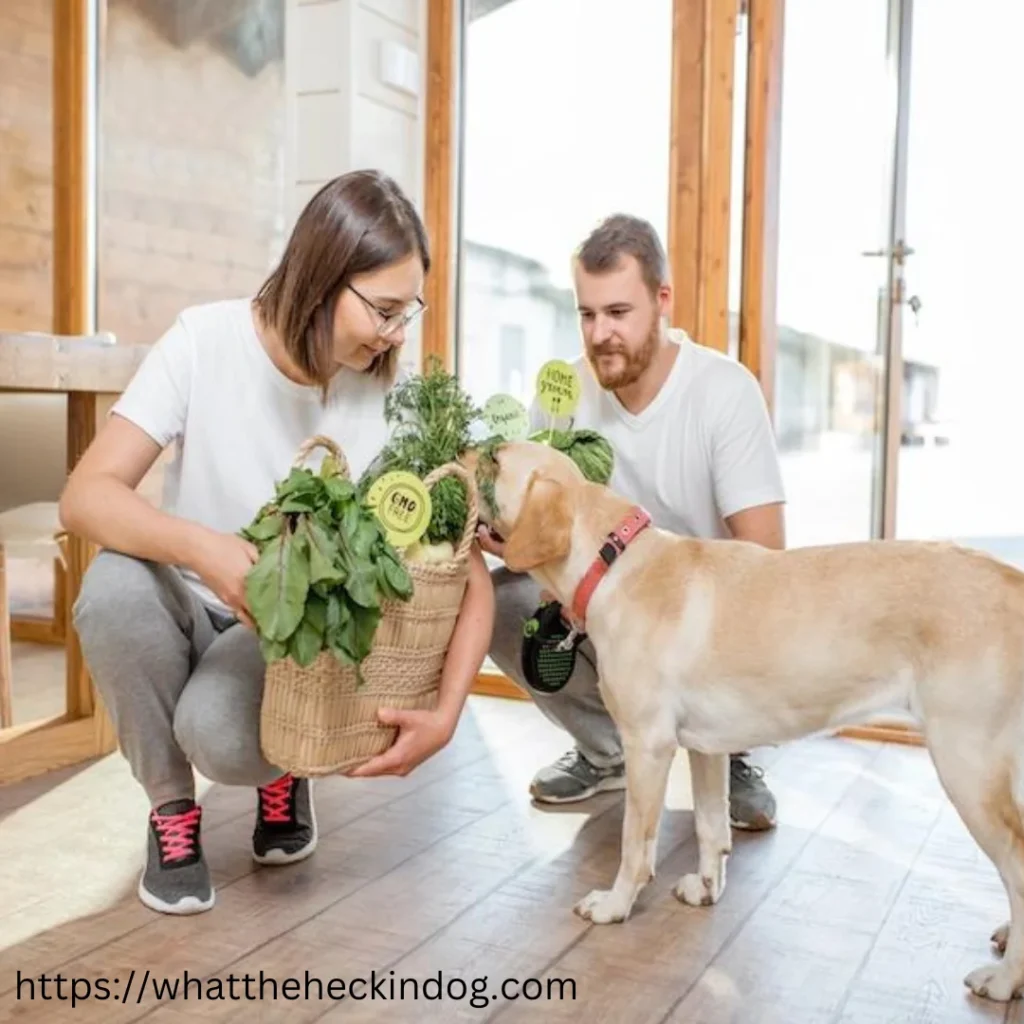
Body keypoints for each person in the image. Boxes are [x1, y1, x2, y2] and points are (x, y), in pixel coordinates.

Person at [60, 170, 495, 916]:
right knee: (110, 592)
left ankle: (285, 766)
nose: (395, 333)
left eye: (407, 312)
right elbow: (85, 496)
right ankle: (171, 811)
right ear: (324, 276)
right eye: (384, 310)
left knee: (220, 738)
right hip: (191, 601)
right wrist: (204, 551)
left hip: (287, 638)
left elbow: (470, 572)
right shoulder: (204, 340)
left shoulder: (393, 392)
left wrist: (449, 712)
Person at [480, 213, 786, 830]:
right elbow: (544, 528)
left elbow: (767, 559)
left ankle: (725, 751)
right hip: (599, 611)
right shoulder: (563, 391)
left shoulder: (724, 391)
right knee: (502, 600)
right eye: (587, 314)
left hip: (704, 626)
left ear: (662, 301)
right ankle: (608, 750)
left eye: (618, 312)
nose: (600, 334)